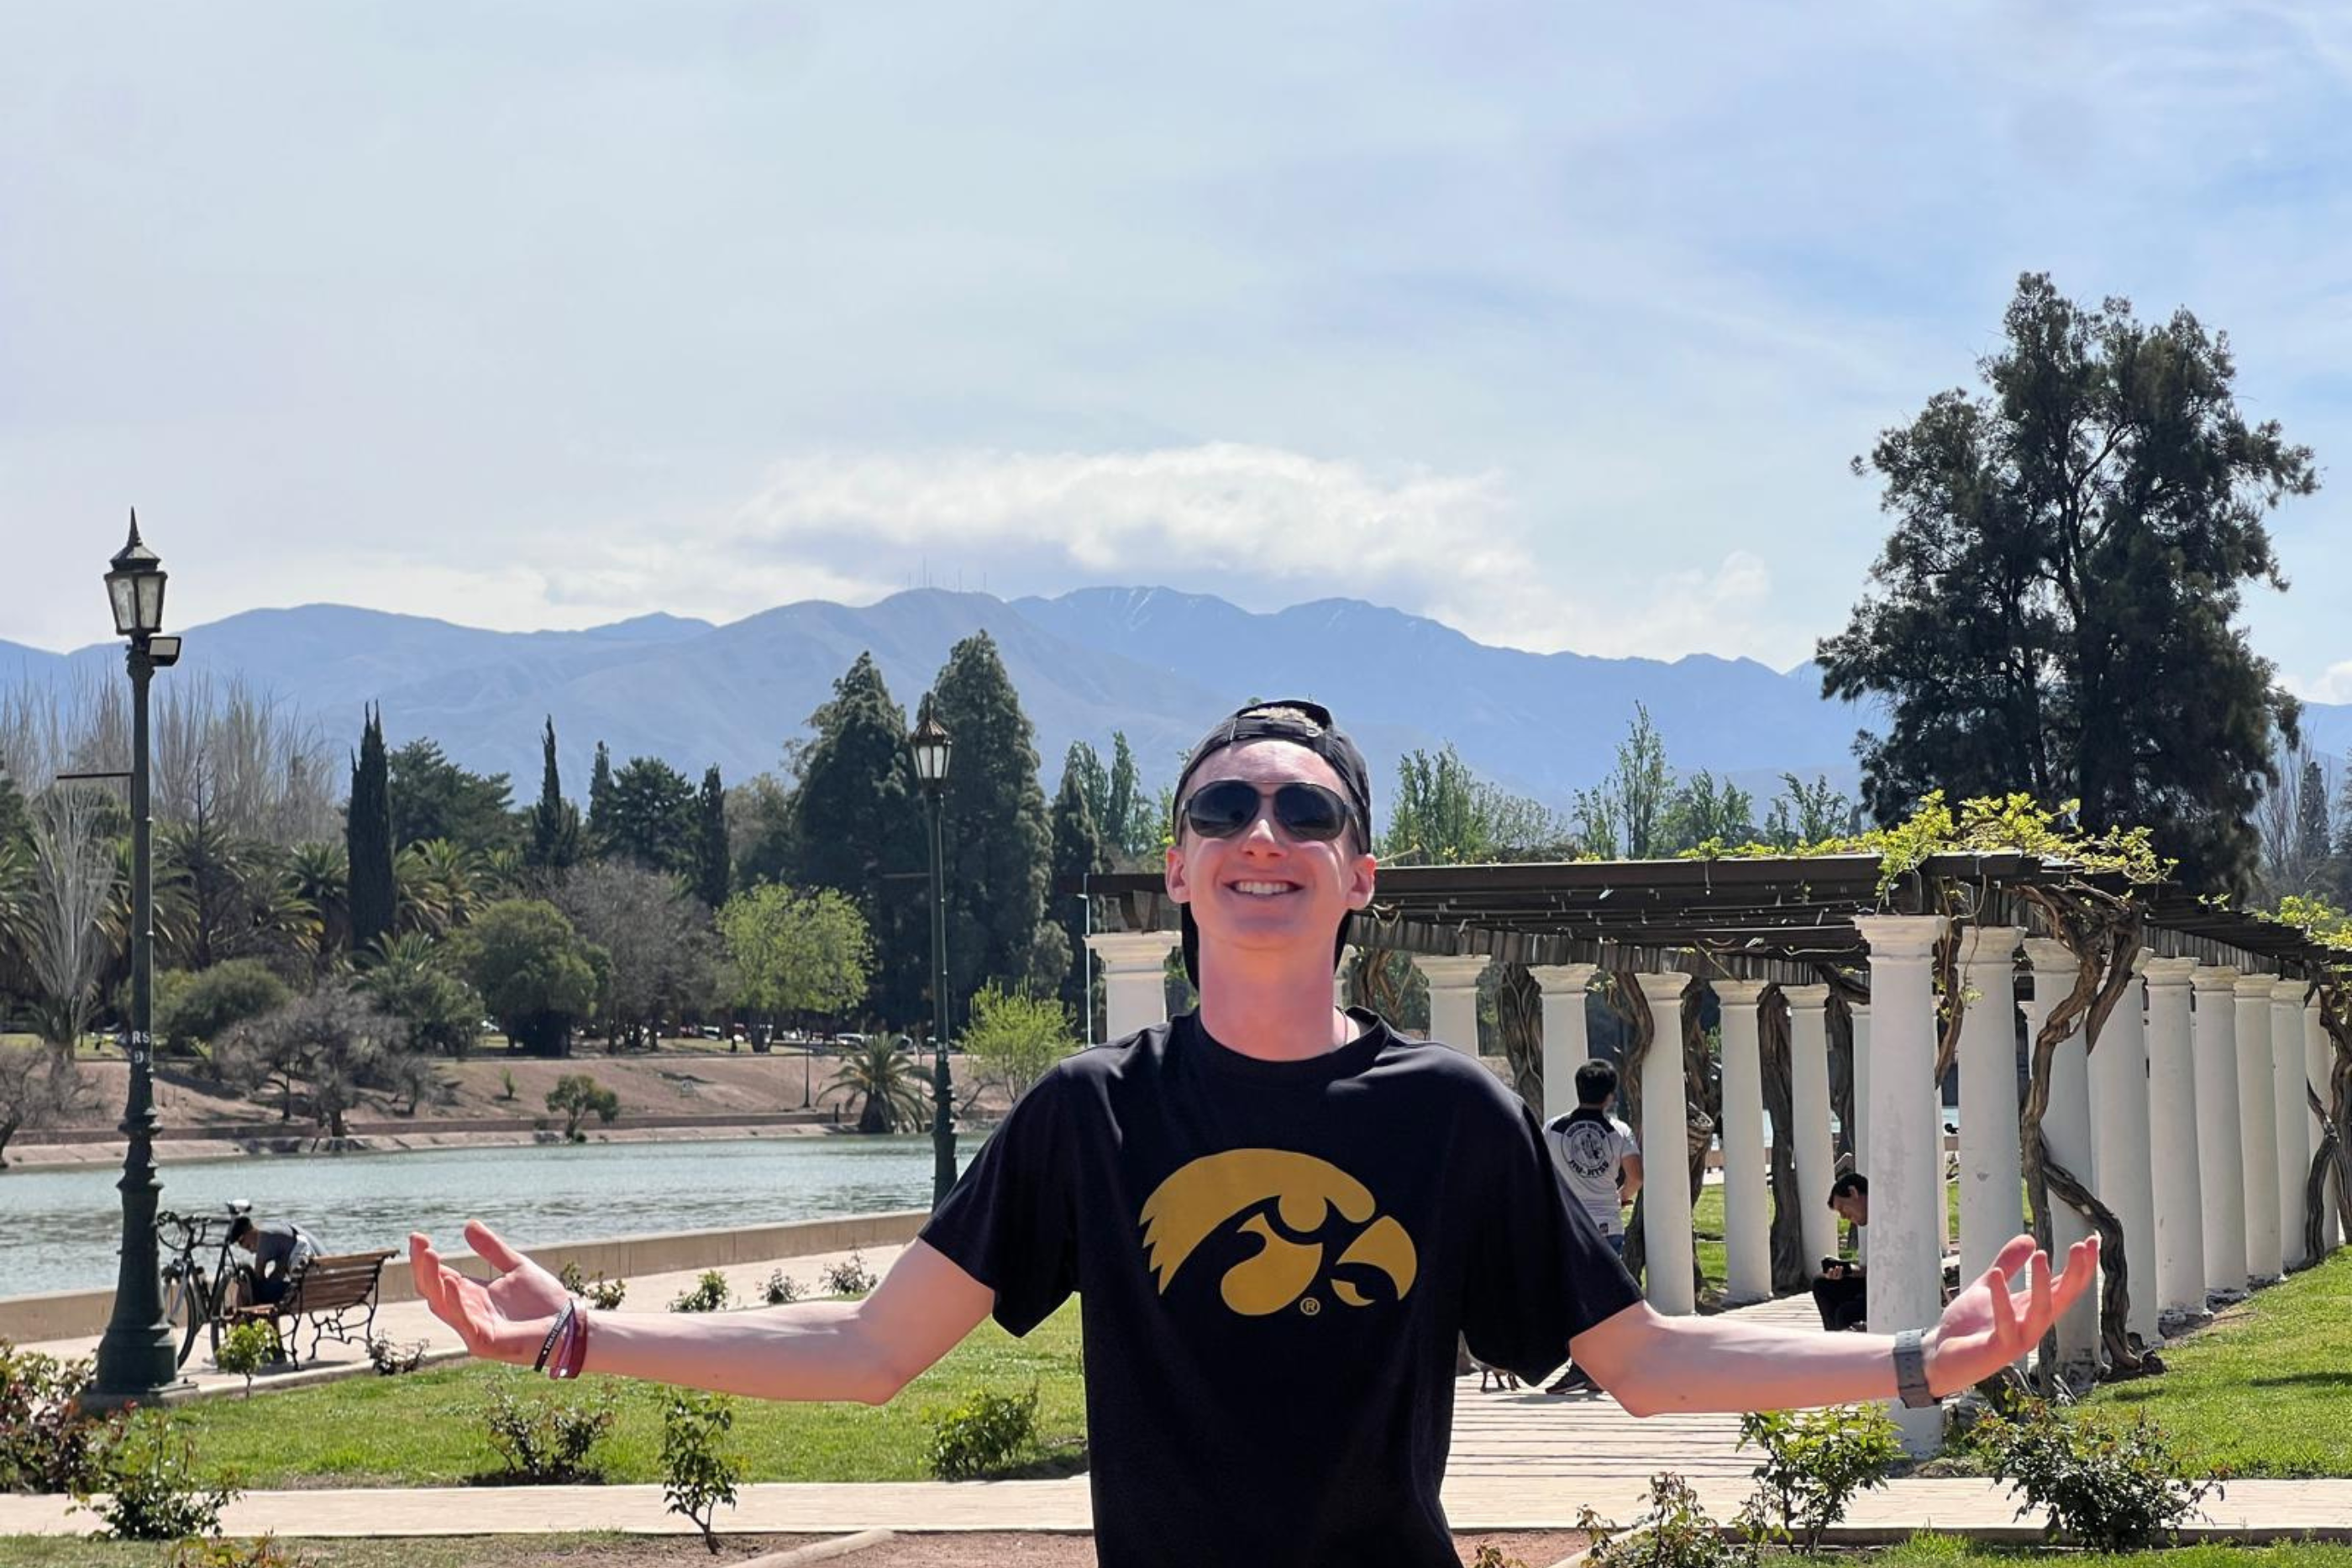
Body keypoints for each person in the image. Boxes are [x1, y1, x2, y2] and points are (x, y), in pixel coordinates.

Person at [410, 700, 2097, 1568]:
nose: (1262, 830)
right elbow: (866, 1353)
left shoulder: (1450, 1115)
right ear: (1180, 865)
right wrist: (579, 1335)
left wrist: (1916, 1361)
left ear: (1360, 875)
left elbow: (1641, 1362)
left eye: (1306, 810)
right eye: (1224, 806)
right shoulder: (1088, 1115)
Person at [1541, 1057, 1641, 1394]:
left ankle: (1583, 1366)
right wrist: (1622, 1196)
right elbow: (1636, 1176)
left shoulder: (1553, 1128)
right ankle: (1597, 1368)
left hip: (1569, 1225)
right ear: (1610, 1096)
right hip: (1607, 1224)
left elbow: (1539, 1169)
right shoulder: (1619, 1131)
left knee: (1572, 1298)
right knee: (1605, 1300)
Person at [1812, 1172, 1870, 1330]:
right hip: (1874, 1283)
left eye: (1842, 1208)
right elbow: (1876, 1270)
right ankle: (1833, 1341)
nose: (1843, 1217)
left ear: (1853, 1192)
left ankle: (1842, 1342)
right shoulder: (1871, 1226)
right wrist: (1848, 1270)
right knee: (1822, 1284)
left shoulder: (1890, 1219)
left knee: (1845, 1313)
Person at [229, 1214, 320, 1307]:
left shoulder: (264, 1238)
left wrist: (244, 1284)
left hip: (304, 1294)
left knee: (257, 1291)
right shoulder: (281, 1233)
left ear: (249, 1232)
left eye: (249, 1246)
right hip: (320, 1286)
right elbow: (278, 1273)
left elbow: (258, 1279)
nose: (251, 1252)